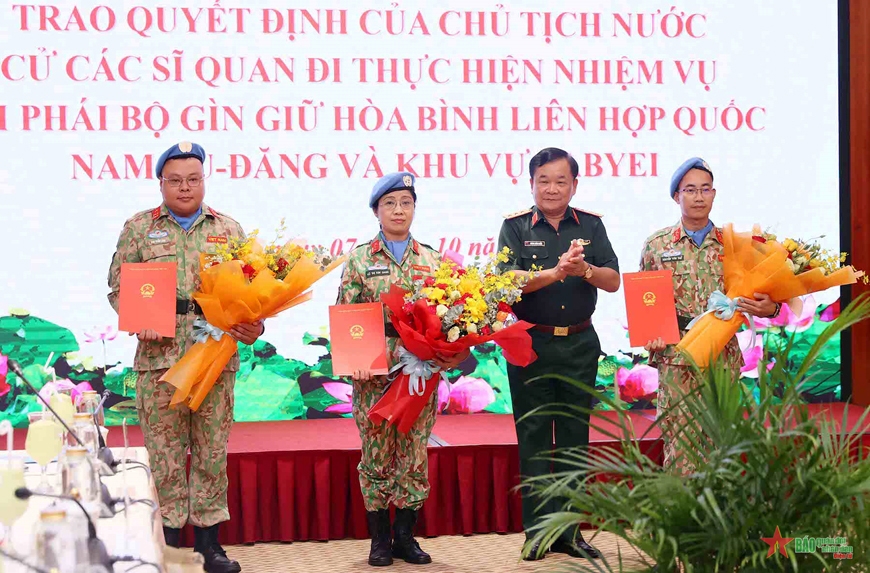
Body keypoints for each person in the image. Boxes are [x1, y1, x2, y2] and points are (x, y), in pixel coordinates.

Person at [107, 141, 264, 573]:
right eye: (175, 180)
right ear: (161, 183)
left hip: (215, 357)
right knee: (166, 458)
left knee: (212, 455)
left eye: (193, 179)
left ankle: (210, 548)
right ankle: (169, 548)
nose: (184, 187)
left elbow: (252, 293)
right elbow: (118, 289)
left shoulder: (228, 229)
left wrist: (256, 326)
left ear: (203, 180)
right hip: (160, 360)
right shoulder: (139, 228)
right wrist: (136, 318)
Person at [336, 172, 469, 567]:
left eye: (406, 203)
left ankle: (405, 537)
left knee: (413, 453)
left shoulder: (432, 259)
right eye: (390, 203)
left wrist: (452, 351)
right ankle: (379, 540)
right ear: (376, 211)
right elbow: (347, 315)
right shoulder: (360, 259)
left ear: (414, 208)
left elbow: (452, 316)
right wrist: (356, 362)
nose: (398, 210)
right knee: (376, 453)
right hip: (374, 370)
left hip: (420, 371)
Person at [497, 147, 620, 561]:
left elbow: (613, 280)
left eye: (560, 181)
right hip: (530, 345)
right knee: (533, 439)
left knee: (573, 439)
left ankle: (569, 533)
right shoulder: (514, 227)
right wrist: (554, 273)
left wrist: (585, 270)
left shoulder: (591, 225)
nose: (552, 189)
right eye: (544, 181)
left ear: (574, 185)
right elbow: (506, 282)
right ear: (531, 183)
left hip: (579, 346)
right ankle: (536, 533)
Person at [640, 157, 782, 471]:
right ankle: (683, 505)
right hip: (677, 357)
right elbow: (646, 301)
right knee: (680, 444)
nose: (699, 197)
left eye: (705, 189)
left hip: (722, 355)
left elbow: (767, 298)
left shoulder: (735, 245)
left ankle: (719, 504)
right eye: (690, 190)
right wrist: (650, 336)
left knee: (721, 442)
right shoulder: (656, 245)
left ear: (714, 194)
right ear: (676, 196)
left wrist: (772, 308)